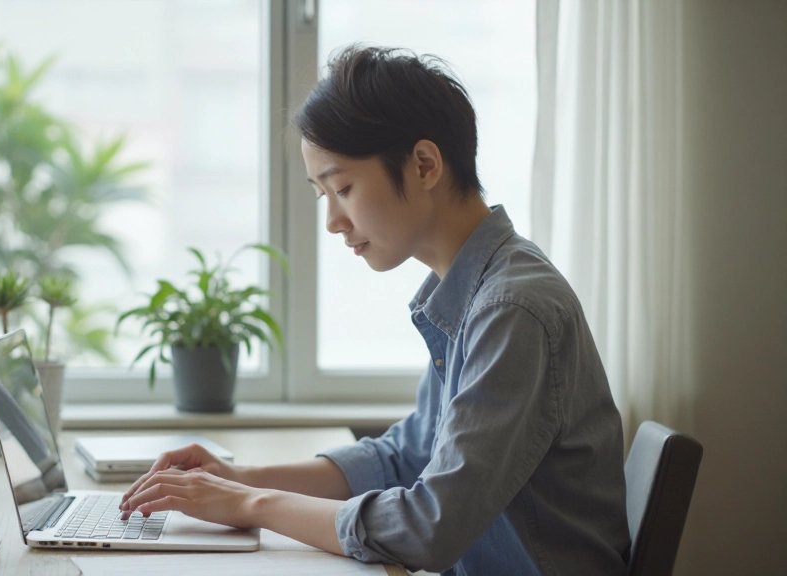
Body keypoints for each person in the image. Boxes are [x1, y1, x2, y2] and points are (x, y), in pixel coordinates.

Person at [119, 45, 630, 575]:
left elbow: (427, 528)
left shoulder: (510, 309)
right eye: (323, 195)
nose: (333, 222)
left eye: (343, 187)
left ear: (424, 165)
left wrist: (249, 506)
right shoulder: (471, 290)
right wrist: (240, 477)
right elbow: (404, 456)